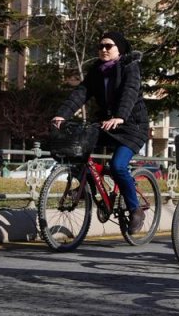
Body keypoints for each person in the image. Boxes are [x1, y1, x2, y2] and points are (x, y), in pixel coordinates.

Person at [50, 31, 150, 230]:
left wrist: (120, 116)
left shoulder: (130, 66)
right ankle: (88, 186)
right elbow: (81, 93)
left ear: (119, 49)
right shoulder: (97, 70)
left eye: (108, 46)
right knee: (77, 151)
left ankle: (135, 209)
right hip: (108, 124)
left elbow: (130, 91)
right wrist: (62, 115)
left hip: (132, 125)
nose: (103, 49)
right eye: (100, 46)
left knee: (118, 166)